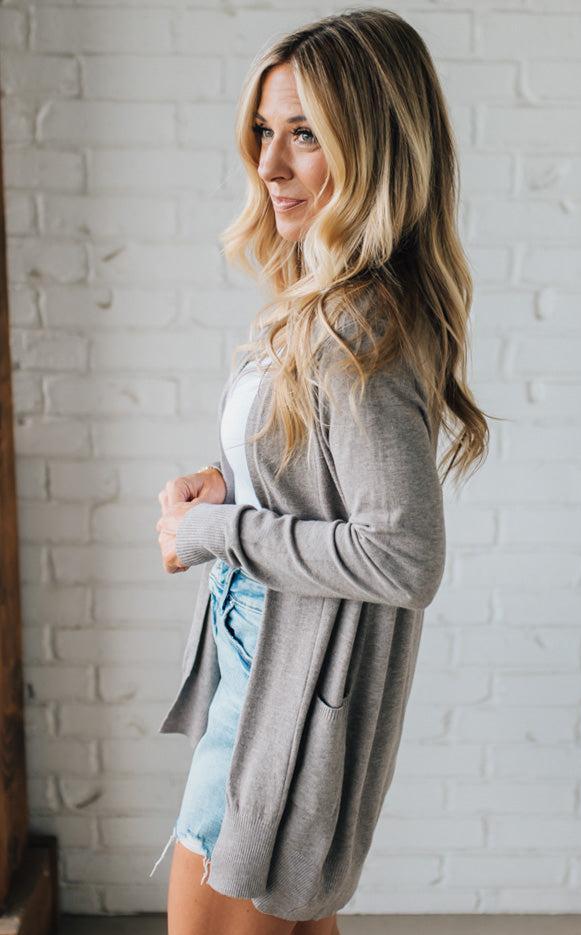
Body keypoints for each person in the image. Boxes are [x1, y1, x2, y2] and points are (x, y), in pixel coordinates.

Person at [153, 8, 490, 934]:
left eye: (304, 133)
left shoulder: (354, 323)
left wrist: (216, 533)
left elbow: (404, 553)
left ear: (374, 146)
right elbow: (321, 478)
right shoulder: (324, 302)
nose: (268, 165)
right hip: (268, 663)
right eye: (264, 130)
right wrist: (226, 485)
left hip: (283, 682)